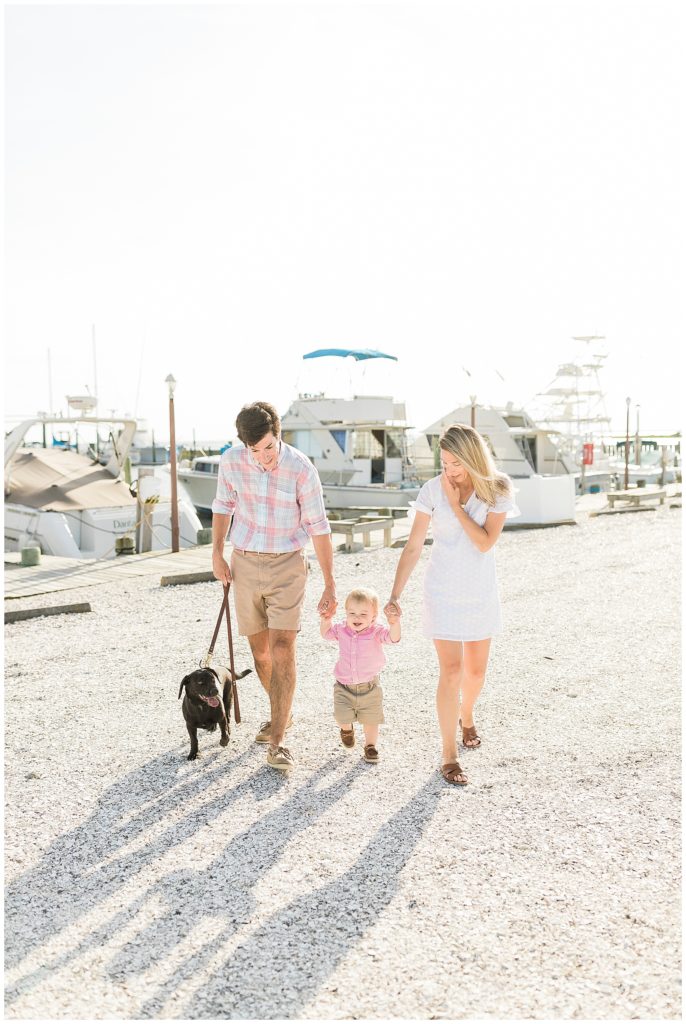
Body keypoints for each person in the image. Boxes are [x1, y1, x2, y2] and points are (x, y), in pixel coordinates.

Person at [384, 423, 518, 785]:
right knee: (451, 672)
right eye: (444, 464)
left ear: (473, 458)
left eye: (456, 463)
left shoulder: (498, 489)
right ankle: (448, 753)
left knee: (475, 674)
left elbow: (485, 542)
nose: (450, 471)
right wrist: (395, 594)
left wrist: (458, 507)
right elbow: (413, 546)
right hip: (441, 590)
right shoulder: (431, 490)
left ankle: (467, 714)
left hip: (479, 591)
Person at [211, 401, 337, 771]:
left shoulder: (301, 468)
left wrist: (330, 584)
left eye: (268, 447)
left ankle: (278, 739)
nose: (264, 457)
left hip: (288, 564)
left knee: (283, 647)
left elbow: (319, 526)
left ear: (277, 435)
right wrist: (217, 553)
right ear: (244, 445)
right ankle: (282, 711)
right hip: (245, 562)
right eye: (255, 450)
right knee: (261, 654)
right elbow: (222, 506)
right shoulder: (232, 462)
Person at [320, 587, 400, 763]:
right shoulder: (342, 629)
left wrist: (394, 623)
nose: (357, 618)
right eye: (352, 613)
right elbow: (326, 634)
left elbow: (393, 639)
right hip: (343, 686)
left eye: (363, 614)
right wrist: (326, 619)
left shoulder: (376, 631)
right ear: (346, 613)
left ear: (374, 616)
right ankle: (346, 729)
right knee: (341, 715)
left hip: (369, 686)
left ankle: (370, 746)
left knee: (371, 719)